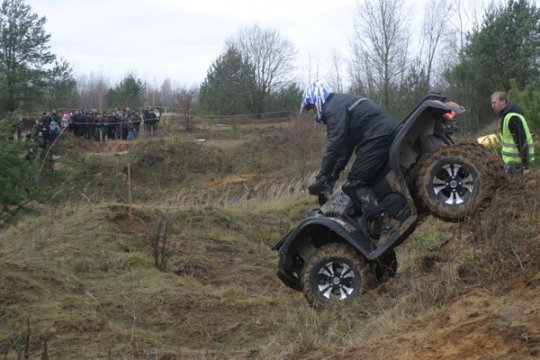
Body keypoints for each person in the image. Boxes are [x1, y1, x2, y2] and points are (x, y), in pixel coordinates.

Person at [300, 81, 399, 244]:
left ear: (317, 98)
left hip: (377, 137)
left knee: (353, 184)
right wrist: (332, 176)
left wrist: (323, 174)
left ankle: (387, 225)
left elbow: (335, 145)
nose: (314, 112)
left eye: (312, 108)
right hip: (378, 135)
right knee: (357, 181)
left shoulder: (333, 108)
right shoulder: (339, 103)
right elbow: (345, 148)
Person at [490, 91, 535, 177]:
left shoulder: (512, 117)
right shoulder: (508, 116)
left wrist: (525, 166)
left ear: (503, 101)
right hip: (514, 163)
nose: (492, 106)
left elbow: (522, 142)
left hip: (517, 164)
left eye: (494, 103)